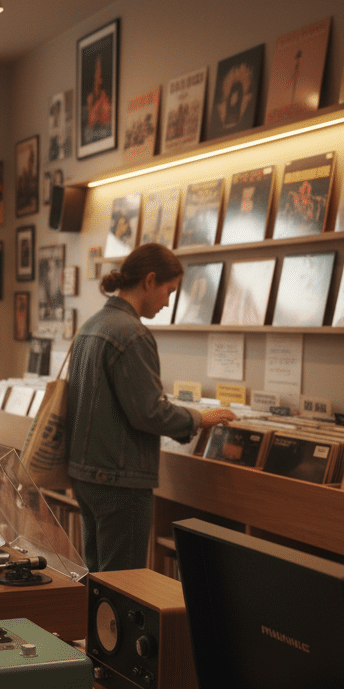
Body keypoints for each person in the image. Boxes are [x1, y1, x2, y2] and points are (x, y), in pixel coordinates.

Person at [65, 243, 235, 572]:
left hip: (86, 473)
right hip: (120, 479)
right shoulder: (132, 333)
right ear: (150, 280)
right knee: (123, 583)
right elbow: (149, 412)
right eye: (168, 291)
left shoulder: (92, 325)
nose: (168, 301)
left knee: (98, 576)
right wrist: (199, 418)